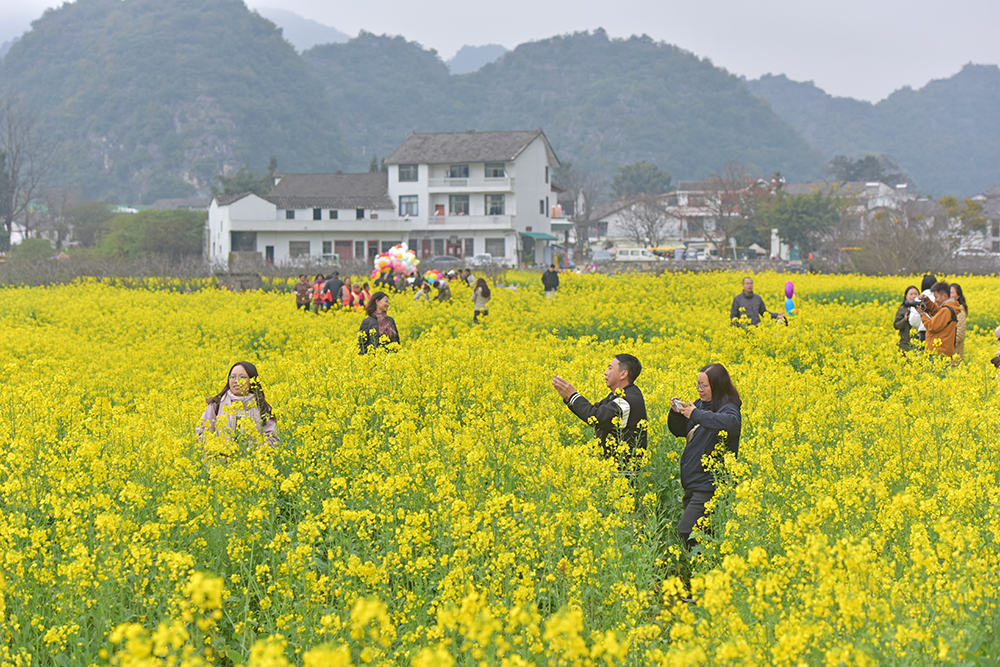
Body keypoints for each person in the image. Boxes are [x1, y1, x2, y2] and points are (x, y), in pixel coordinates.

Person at [668, 363, 742, 548]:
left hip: (709, 485)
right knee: (702, 537)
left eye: (704, 386)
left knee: (687, 532)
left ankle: (702, 572)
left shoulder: (728, 408)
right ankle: (704, 573)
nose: (700, 390)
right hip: (694, 482)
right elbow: (681, 431)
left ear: (717, 386)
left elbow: (731, 424)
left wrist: (696, 414)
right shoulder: (701, 405)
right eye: (698, 385)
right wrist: (677, 414)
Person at [552, 354, 648, 473]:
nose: (605, 372)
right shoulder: (619, 395)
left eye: (610, 368)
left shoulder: (628, 400)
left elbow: (596, 417)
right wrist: (569, 399)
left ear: (623, 374)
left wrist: (573, 396)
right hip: (611, 469)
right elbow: (594, 410)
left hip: (623, 473)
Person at [197, 361, 279, 454]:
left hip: (254, 465)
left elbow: (273, 439)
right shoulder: (217, 404)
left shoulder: (262, 407)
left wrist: (254, 449)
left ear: (252, 381)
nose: (236, 381)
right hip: (220, 464)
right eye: (232, 377)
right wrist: (217, 448)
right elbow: (201, 433)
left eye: (242, 377)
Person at [917, 281, 959, 360]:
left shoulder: (946, 310)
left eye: (936, 297)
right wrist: (928, 302)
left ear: (944, 296)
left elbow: (932, 326)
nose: (935, 300)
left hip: (938, 353)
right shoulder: (948, 308)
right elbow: (937, 312)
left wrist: (922, 315)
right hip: (942, 352)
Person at [894, 285, 921, 352]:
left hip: (918, 342)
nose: (913, 296)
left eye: (915, 294)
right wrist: (904, 319)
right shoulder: (902, 309)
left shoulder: (922, 309)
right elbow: (896, 325)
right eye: (911, 294)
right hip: (905, 343)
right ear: (906, 296)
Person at [950, 283, 968, 366]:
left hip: (954, 352)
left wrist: (947, 344)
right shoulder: (948, 309)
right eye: (948, 292)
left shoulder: (960, 311)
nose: (950, 295)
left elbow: (959, 334)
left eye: (952, 293)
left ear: (958, 295)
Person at [916, 274, 937, 342]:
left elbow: (914, 321)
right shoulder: (939, 298)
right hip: (937, 334)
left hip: (923, 333)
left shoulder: (918, 299)